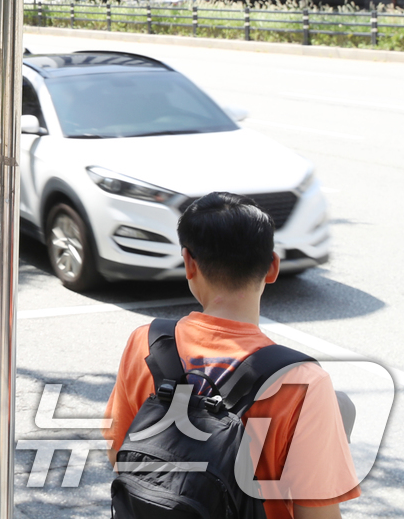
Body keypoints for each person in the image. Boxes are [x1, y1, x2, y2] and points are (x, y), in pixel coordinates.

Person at [105, 192, 360, 518]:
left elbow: (119, 454)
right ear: (272, 267)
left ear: (189, 263)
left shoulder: (147, 343)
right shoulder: (302, 382)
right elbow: (317, 515)